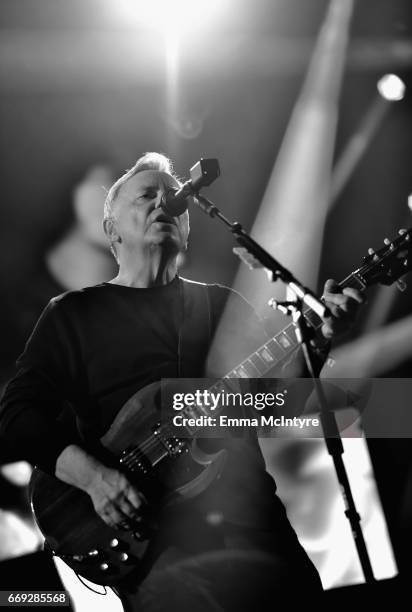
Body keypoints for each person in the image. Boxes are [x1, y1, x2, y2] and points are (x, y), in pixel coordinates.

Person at [0, 152, 364, 610]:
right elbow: (15, 417)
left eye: (173, 198)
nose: (163, 203)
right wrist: (95, 480)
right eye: (146, 195)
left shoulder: (219, 305)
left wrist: (322, 340)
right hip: (157, 549)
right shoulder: (73, 314)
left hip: (253, 527)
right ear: (111, 229)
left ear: (187, 227)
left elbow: (279, 405)